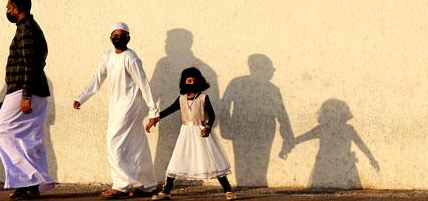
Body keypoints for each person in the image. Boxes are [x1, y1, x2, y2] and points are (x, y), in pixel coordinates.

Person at [74, 22, 159, 198]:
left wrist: (153, 111)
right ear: (110, 37)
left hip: (129, 107)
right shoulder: (108, 56)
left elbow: (144, 84)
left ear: (128, 38)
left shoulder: (131, 58)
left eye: (122, 35)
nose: (118, 37)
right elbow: (96, 80)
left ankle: (121, 185)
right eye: (115, 34)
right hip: (116, 106)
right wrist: (81, 98)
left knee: (113, 142)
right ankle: (147, 184)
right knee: (136, 144)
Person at [0, 0, 54, 199]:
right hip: (25, 90)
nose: (7, 10)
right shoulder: (28, 28)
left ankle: (32, 177)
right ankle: (28, 185)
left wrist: (25, 95)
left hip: (25, 90)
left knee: (2, 132)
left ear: (19, 8)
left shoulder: (26, 29)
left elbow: (31, 64)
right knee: (27, 139)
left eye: (9, 6)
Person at [145, 68, 234, 200]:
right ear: (184, 82)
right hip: (185, 133)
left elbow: (212, 115)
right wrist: (155, 119)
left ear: (199, 82)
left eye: (194, 81)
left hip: (202, 133)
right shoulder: (181, 99)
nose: (191, 83)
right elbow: (169, 110)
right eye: (189, 81)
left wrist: (208, 127)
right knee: (176, 159)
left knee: (213, 161)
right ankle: (166, 191)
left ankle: (228, 190)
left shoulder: (204, 98)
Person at [220, 54, 294, 187]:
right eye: (271, 69)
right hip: (260, 131)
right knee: (258, 166)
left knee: (244, 167)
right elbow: (282, 116)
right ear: (264, 69)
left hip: (245, 130)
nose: (272, 72)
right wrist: (288, 138)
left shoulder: (237, 83)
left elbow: (224, 106)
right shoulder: (272, 89)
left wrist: (226, 128)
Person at [280, 99, 379, 189]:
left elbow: (298, 140)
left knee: (322, 193)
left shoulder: (324, 129)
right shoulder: (347, 129)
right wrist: (372, 159)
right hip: (344, 166)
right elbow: (362, 146)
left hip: (326, 166)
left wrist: (287, 147)